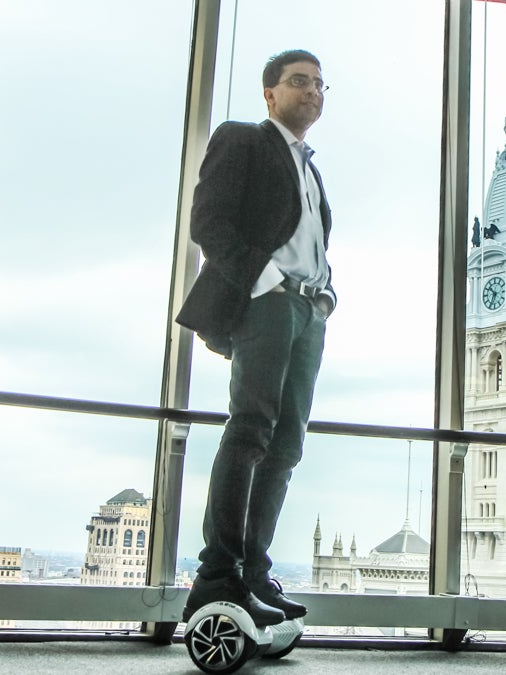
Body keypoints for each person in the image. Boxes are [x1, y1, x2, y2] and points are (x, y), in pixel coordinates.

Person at [176, 49, 335, 627]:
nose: (312, 91)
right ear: (270, 93)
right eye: (299, 82)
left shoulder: (311, 168)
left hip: (306, 314)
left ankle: (252, 571)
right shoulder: (242, 139)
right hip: (265, 305)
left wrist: (325, 297)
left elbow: (313, 243)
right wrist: (266, 282)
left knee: (287, 445)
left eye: (320, 84)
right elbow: (208, 224)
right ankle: (217, 575)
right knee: (250, 430)